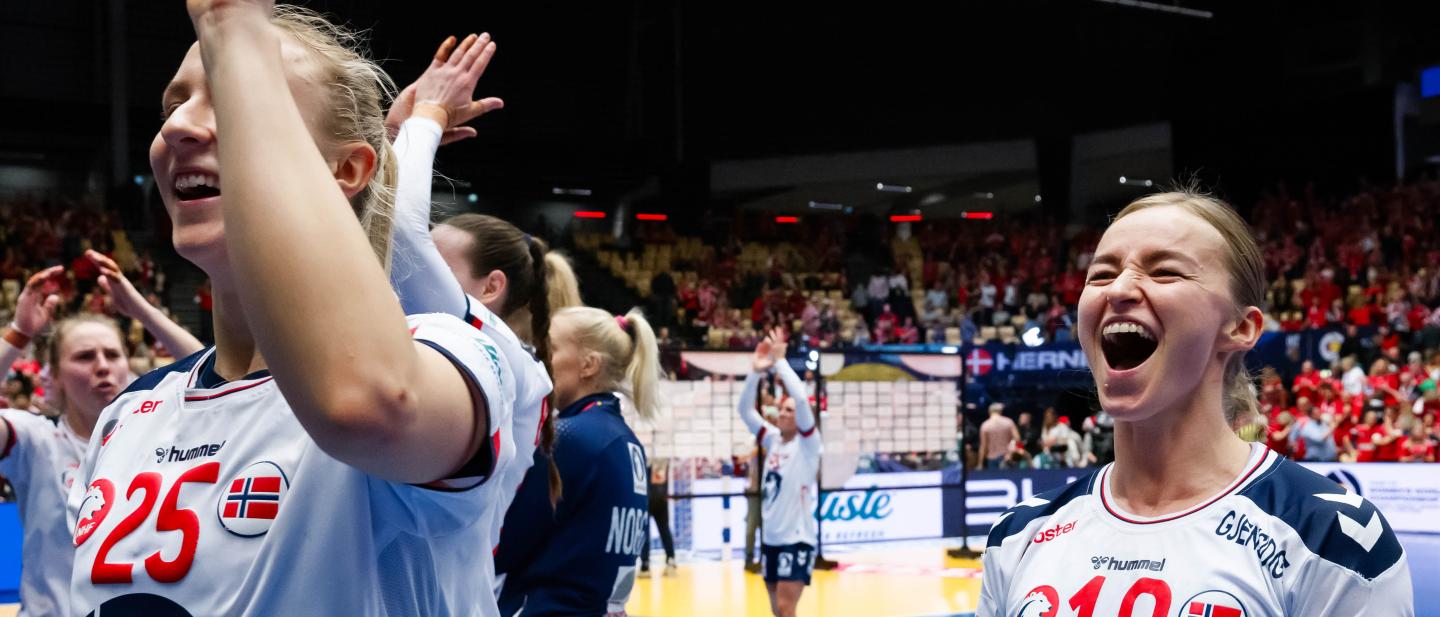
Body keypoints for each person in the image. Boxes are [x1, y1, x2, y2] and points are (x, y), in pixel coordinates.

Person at [68, 6, 517, 615]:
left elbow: (365, 402)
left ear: (348, 170)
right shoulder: (128, 414)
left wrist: (233, 25)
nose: (178, 128)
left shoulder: (454, 352)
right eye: (173, 104)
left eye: (233, 97)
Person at [978, 190, 1412, 616]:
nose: (1120, 289)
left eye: (1165, 272)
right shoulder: (1019, 534)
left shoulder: (1332, 542)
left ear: (1241, 327)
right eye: (1101, 275)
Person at [494, 306, 662, 616]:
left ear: (589, 365)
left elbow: (501, 546)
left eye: (551, 348)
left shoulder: (569, 437)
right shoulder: (625, 441)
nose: (540, 357)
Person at [736, 328, 821, 617]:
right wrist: (756, 371)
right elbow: (745, 410)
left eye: (788, 411)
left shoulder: (808, 444)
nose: (783, 414)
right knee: (777, 611)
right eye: (781, 410)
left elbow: (800, 398)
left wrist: (781, 363)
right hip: (771, 539)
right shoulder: (772, 439)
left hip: (796, 539)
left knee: (786, 610)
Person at [639, 457, 678, 576]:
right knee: (663, 529)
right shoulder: (663, 455)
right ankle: (670, 560)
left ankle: (645, 565)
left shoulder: (645, 453)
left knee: (646, 531)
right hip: (661, 498)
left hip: (648, 497)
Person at [977, 402, 1018, 469]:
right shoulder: (1009, 422)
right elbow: (1017, 439)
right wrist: (1011, 452)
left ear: (989, 411)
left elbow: (983, 446)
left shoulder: (985, 425)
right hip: (1007, 457)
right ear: (1000, 411)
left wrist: (980, 463)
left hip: (991, 458)